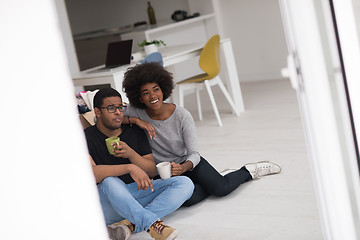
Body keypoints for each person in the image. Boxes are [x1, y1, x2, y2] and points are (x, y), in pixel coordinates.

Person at [122, 62, 282, 207]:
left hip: (187, 163)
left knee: (221, 188)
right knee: (188, 200)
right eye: (146, 93)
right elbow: (113, 117)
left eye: (156, 89)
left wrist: (183, 167)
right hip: (162, 171)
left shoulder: (182, 115)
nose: (153, 96)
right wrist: (135, 121)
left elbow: (194, 154)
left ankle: (247, 171)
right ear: (139, 98)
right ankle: (213, 179)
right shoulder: (137, 112)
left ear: (163, 89)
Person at [84, 87, 194, 240]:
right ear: (97, 112)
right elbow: (92, 174)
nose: (118, 112)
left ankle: (129, 225)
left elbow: (150, 171)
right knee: (110, 181)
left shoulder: (134, 132)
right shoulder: (86, 137)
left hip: (135, 193)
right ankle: (151, 224)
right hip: (106, 201)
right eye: (111, 108)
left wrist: (131, 154)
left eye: (120, 107)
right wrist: (129, 167)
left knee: (185, 183)